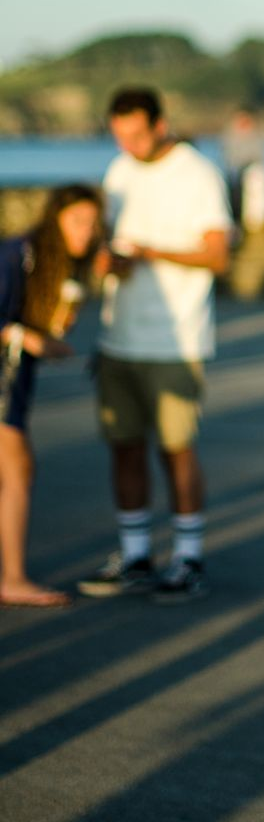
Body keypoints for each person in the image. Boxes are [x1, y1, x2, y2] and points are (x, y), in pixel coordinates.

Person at [78, 87, 232, 603]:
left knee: (176, 450)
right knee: (123, 446)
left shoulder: (197, 174)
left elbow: (217, 257)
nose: (129, 146)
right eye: (119, 137)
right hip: (117, 334)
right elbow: (108, 238)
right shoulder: (119, 171)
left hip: (175, 340)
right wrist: (109, 260)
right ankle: (136, 554)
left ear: (161, 123)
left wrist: (149, 253)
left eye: (138, 135)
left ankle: (188, 559)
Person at [1, 184, 102, 607]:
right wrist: (35, 341)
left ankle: (11, 575)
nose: (85, 231)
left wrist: (49, 337)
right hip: (4, 382)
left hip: (14, 381)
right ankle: (12, 578)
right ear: (54, 218)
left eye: (93, 224)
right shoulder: (18, 254)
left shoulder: (57, 264)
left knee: (16, 472)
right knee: (18, 469)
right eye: (77, 220)